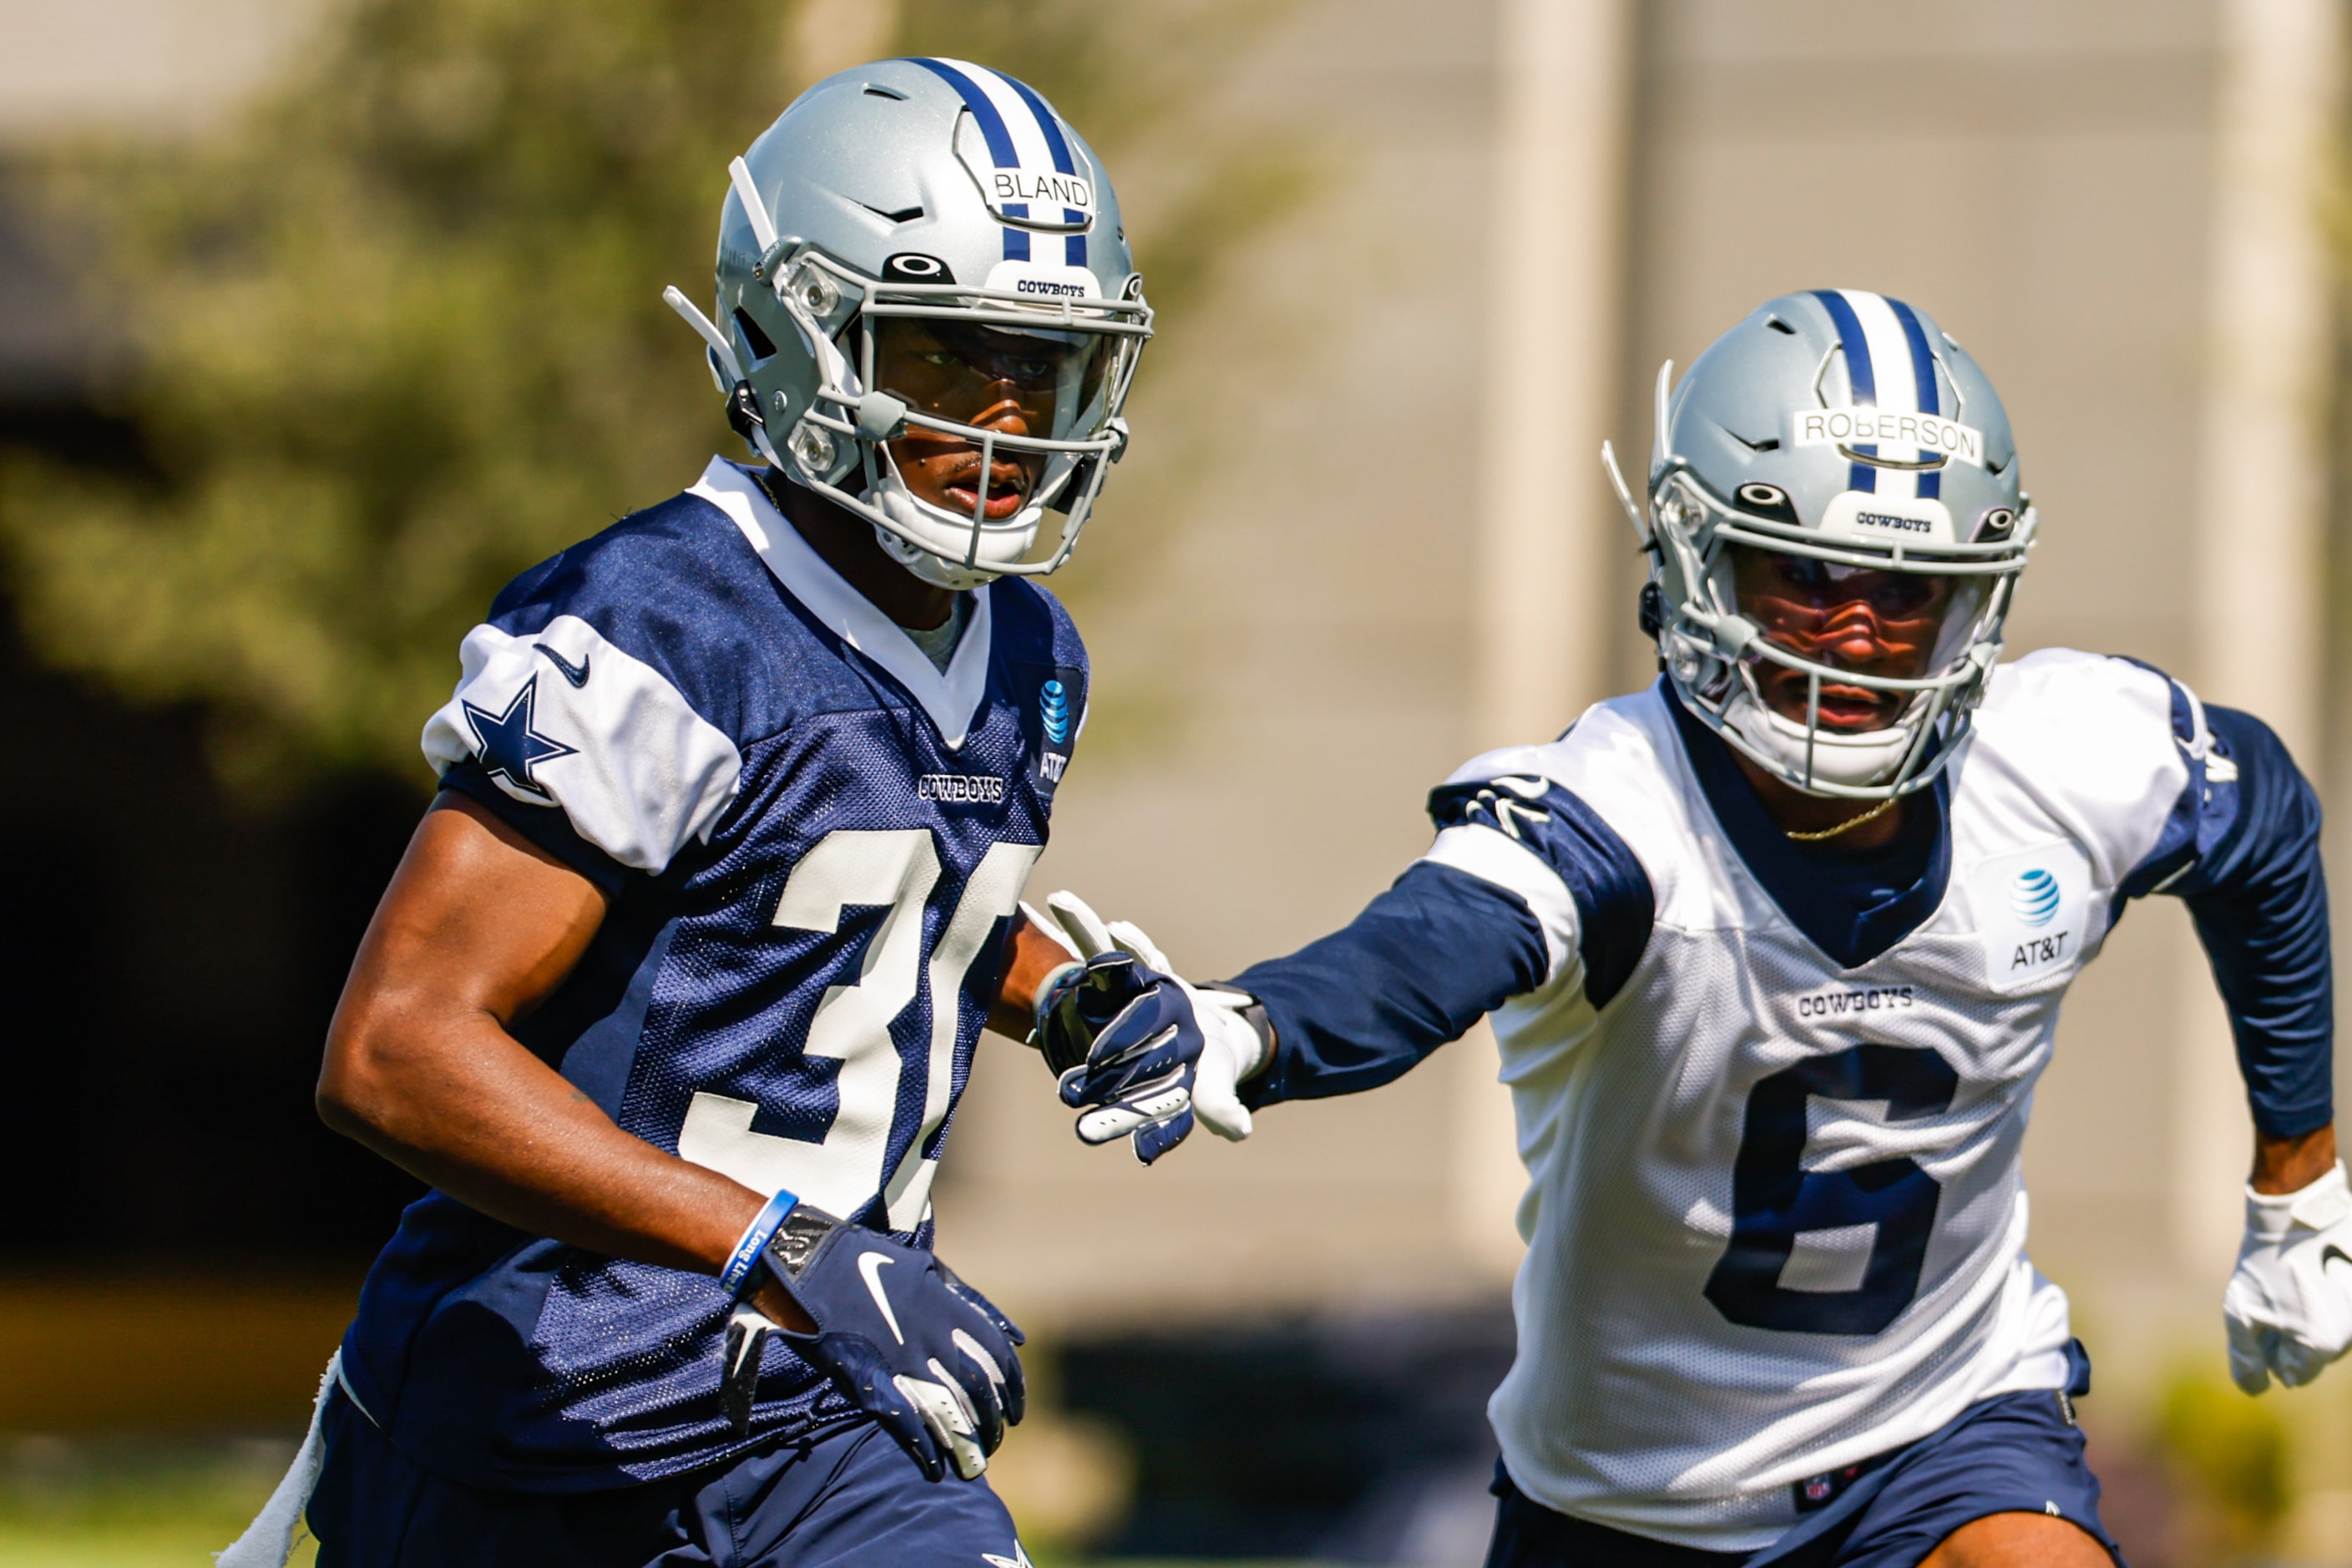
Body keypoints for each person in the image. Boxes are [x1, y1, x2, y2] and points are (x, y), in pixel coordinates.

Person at [1039, 290, 2345, 1567]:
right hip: (1630, 1501)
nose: (1855, 633)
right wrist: (1252, 1024)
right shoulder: (1617, 808)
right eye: (1806, 574)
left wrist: (2297, 1179)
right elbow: (1422, 954)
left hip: (1940, 1429)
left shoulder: (2066, 759)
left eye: (1906, 593)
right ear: (1693, 560)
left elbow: (2266, 823)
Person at [220, 56, 1175, 1568]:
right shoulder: (662, 624)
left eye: (1042, 368)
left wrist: (1062, 992)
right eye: (945, 359)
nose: (1004, 428)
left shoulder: (1028, 648)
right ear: (791, 340)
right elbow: (397, 1046)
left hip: (820, 1413)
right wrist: (775, 1240)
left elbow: (850, 892)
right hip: (536, 1415)